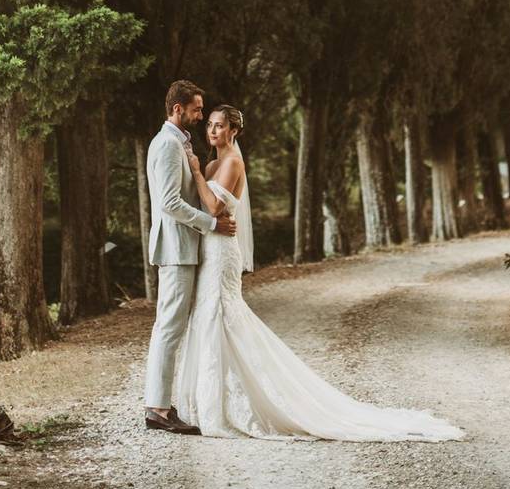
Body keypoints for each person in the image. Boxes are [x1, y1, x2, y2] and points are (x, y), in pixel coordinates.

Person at [173, 104, 465, 442]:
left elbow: (214, 207)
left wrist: (194, 172)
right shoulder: (212, 163)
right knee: (211, 318)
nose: (212, 131)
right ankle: (212, 401)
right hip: (210, 247)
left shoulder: (232, 163)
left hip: (222, 253)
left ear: (234, 131)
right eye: (209, 125)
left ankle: (243, 404)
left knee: (220, 314)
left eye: (220, 126)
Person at [142, 80, 236, 435]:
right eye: (197, 109)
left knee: (170, 325)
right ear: (178, 108)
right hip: (176, 247)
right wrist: (211, 223)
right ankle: (158, 410)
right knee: (169, 327)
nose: (201, 115)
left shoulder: (178, 142)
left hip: (184, 246)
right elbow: (169, 202)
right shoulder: (166, 144)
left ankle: (159, 403)